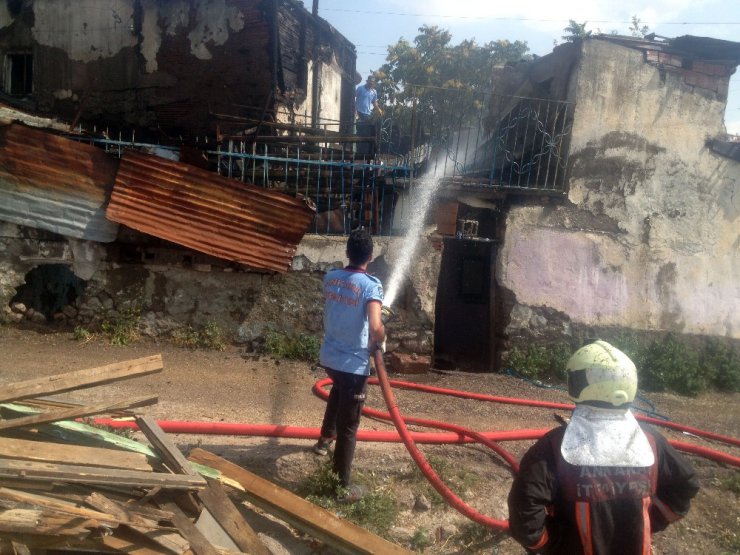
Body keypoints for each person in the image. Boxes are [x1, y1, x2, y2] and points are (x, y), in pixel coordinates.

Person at [507, 340, 699, 554]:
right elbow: (685, 486)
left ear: (578, 384)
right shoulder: (651, 442)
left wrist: (553, 544)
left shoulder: (554, 447)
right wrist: (650, 520)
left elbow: (524, 511)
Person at [313, 228, 385, 502]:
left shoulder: (331, 278)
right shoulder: (371, 285)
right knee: (350, 426)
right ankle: (341, 487)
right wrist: (382, 336)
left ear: (347, 252)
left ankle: (323, 441)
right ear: (370, 255)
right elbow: (376, 326)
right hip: (353, 364)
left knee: (338, 391)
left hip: (329, 358)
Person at [354, 75, 383, 157]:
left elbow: (374, 103)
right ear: (367, 81)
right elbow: (354, 98)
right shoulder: (360, 88)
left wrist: (378, 109)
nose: (371, 84)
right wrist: (355, 111)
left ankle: (365, 153)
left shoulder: (374, 92)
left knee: (367, 133)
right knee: (359, 131)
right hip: (359, 113)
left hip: (368, 115)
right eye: (369, 82)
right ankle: (358, 152)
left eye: (372, 83)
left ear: (374, 84)